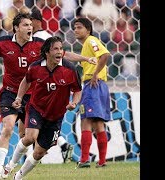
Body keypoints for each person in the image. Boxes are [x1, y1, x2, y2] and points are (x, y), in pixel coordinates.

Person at [0, 12, 94, 179]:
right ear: (16, 28)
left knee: (27, 137)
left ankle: (12, 167)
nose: (30, 27)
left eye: (31, 25)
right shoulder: (3, 43)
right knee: (8, 126)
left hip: (33, 96)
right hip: (10, 93)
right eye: (25, 25)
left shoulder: (40, 44)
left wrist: (85, 59)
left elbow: (63, 55)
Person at [11, 36, 82, 180]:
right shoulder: (36, 67)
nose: (59, 52)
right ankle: (10, 165)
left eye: (61, 49)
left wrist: (74, 103)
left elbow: (77, 90)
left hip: (55, 117)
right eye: (55, 49)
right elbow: (26, 81)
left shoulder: (70, 69)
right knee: (30, 137)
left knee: (39, 153)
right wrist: (19, 97)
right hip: (36, 109)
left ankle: (17, 177)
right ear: (47, 52)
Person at [73, 17, 111, 168]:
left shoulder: (91, 40)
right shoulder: (86, 46)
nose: (76, 30)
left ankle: (84, 160)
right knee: (98, 123)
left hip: (93, 84)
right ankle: (102, 162)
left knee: (86, 122)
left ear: (88, 30)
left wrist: (95, 74)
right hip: (100, 86)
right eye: (74, 27)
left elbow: (105, 55)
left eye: (79, 27)